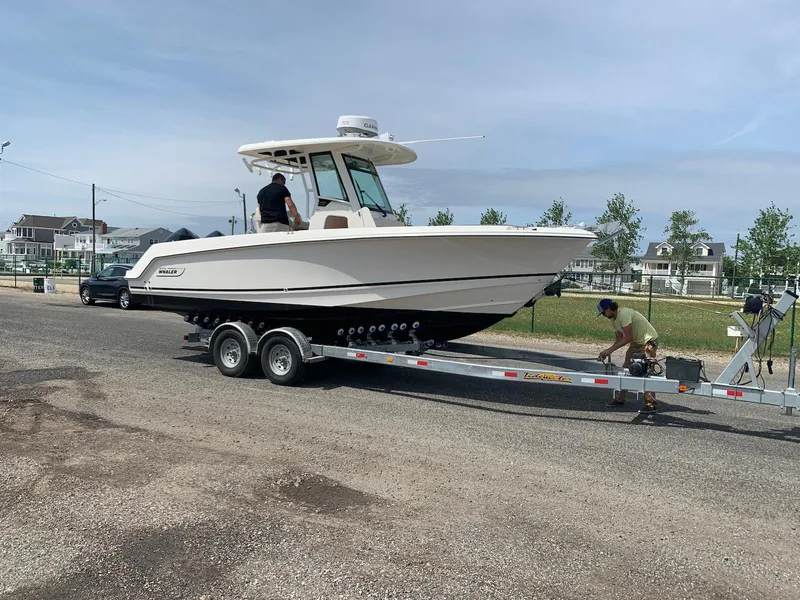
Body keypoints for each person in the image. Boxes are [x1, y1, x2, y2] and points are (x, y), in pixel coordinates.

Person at [596, 298, 659, 413]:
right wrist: (607, 351)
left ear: (610, 308)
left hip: (649, 341)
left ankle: (651, 404)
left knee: (645, 370)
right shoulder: (614, 321)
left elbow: (628, 337)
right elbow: (619, 339)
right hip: (637, 342)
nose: (603, 315)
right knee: (627, 368)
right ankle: (620, 399)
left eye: (603, 312)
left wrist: (610, 350)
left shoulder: (623, 314)